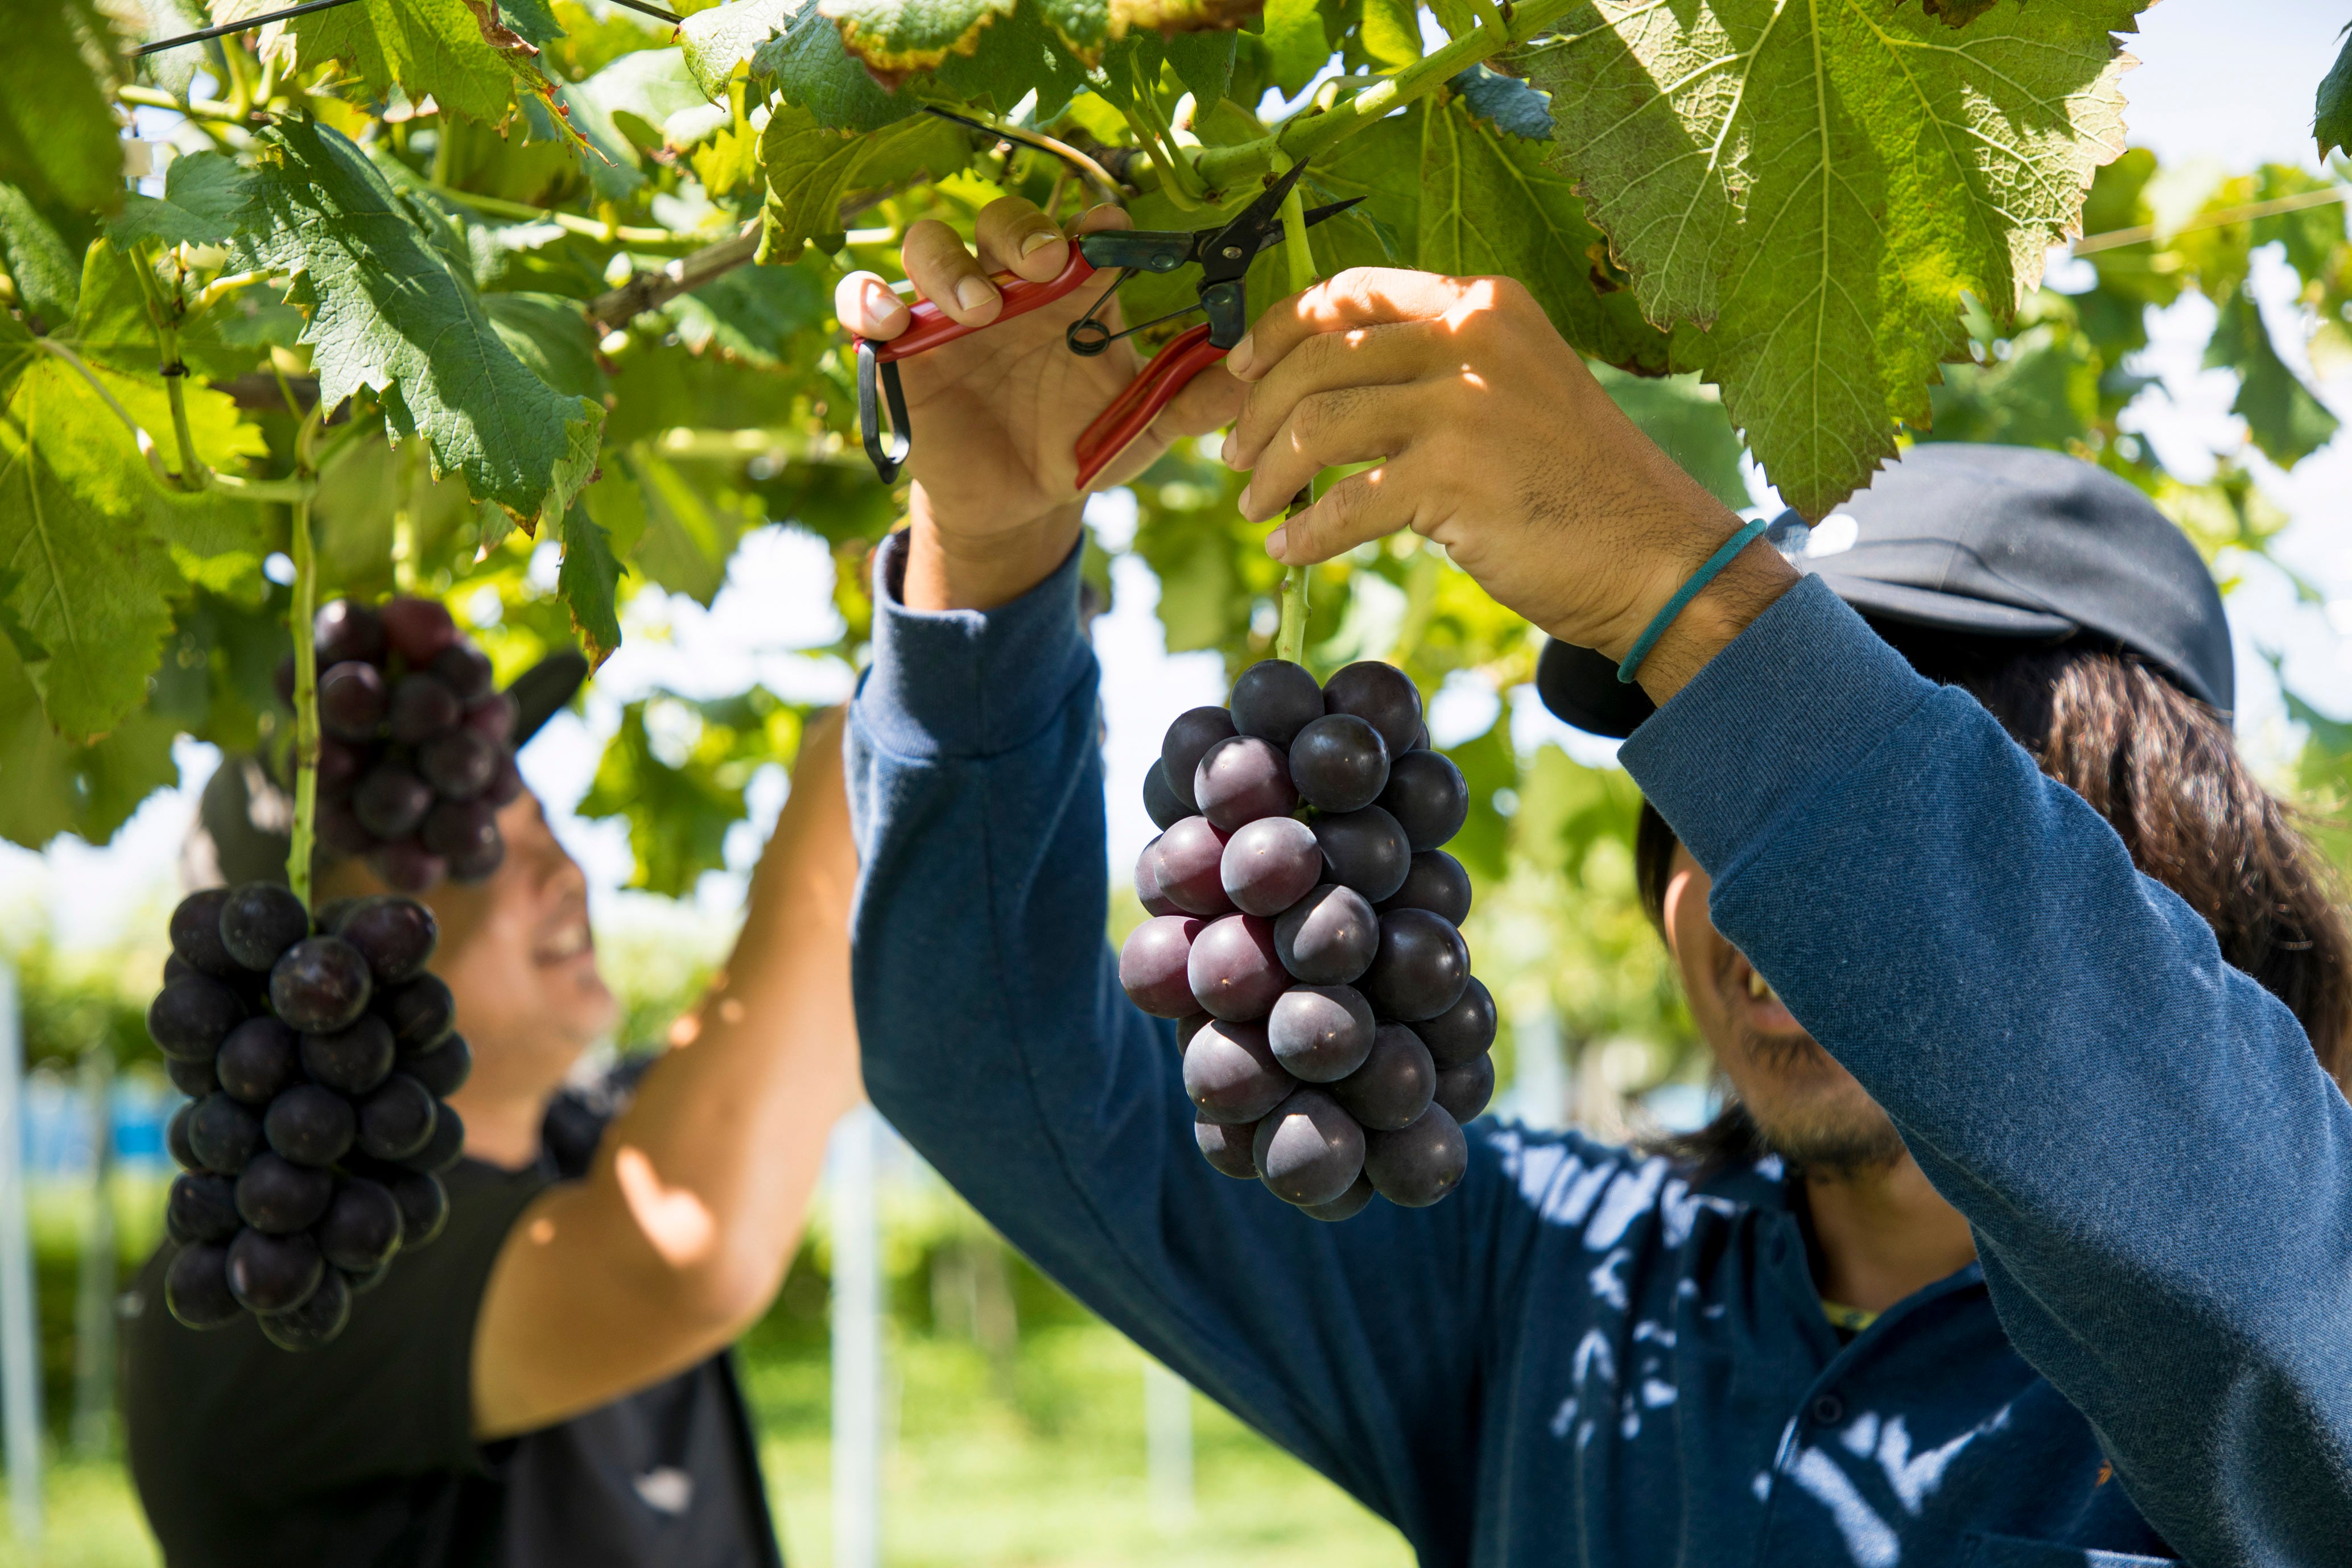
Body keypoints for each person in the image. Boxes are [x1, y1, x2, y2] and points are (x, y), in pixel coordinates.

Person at [833, 198, 2352, 1563]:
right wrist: (991, 542)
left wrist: (1675, 589)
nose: (1745, 878)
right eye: (1713, 784)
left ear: (2156, 843)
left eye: (1799, 788)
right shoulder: (1553, 1283)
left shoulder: (2269, 1324)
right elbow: (994, 1063)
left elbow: (2253, 1292)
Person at [125, 654, 862, 1567]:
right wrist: (865, 752)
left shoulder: (588, 1140)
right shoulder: (285, 1275)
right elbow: (688, 1255)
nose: (562, 873)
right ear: (312, 966)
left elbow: (838, 1029)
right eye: (479, 853)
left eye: (542, 824)